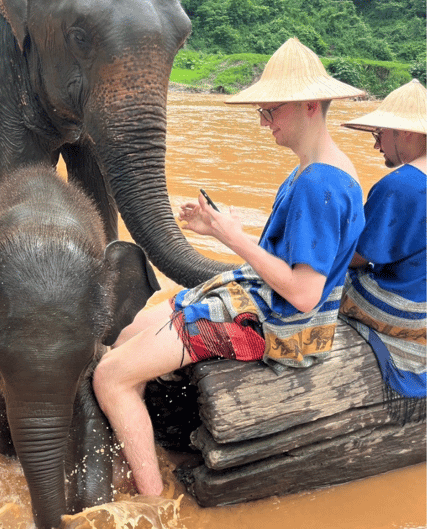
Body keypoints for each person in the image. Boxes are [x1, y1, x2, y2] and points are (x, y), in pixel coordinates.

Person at [91, 38, 366, 496]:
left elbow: (303, 293)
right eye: (261, 112)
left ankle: (150, 501)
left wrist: (230, 236)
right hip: (263, 299)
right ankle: (147, 447)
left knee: (111, 375)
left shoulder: (319, 184)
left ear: (310, 106)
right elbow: (296, 258)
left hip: (280, 325)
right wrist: (224, 228)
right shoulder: (323, 168)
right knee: (129, 332)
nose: (264, 123)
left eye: (271, 111)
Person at [338, 79, 426, 410]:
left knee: (316, 281)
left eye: (379, 134)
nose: (377, 146)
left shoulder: (400, 185)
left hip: (407, 311)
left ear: (407, 133)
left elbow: (358, 257)